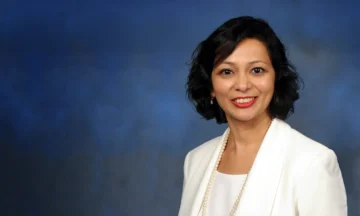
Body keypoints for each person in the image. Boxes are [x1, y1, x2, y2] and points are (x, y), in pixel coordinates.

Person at [178, 16, 347, 216]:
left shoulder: (313, 163)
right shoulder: (196, 160)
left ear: (276, 78)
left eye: (257, 70)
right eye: (226, 72)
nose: (242, 85)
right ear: (211, 86)